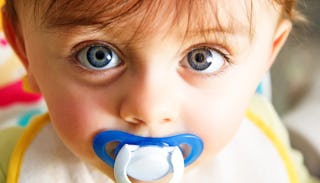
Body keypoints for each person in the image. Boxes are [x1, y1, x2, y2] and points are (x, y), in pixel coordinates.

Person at [0, 0, 317, 182]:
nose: (149, 108)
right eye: (98, 55)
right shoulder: (14, 163)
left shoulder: (260, 143)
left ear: (267, 56)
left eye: (201, 58)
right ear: (25, 52)